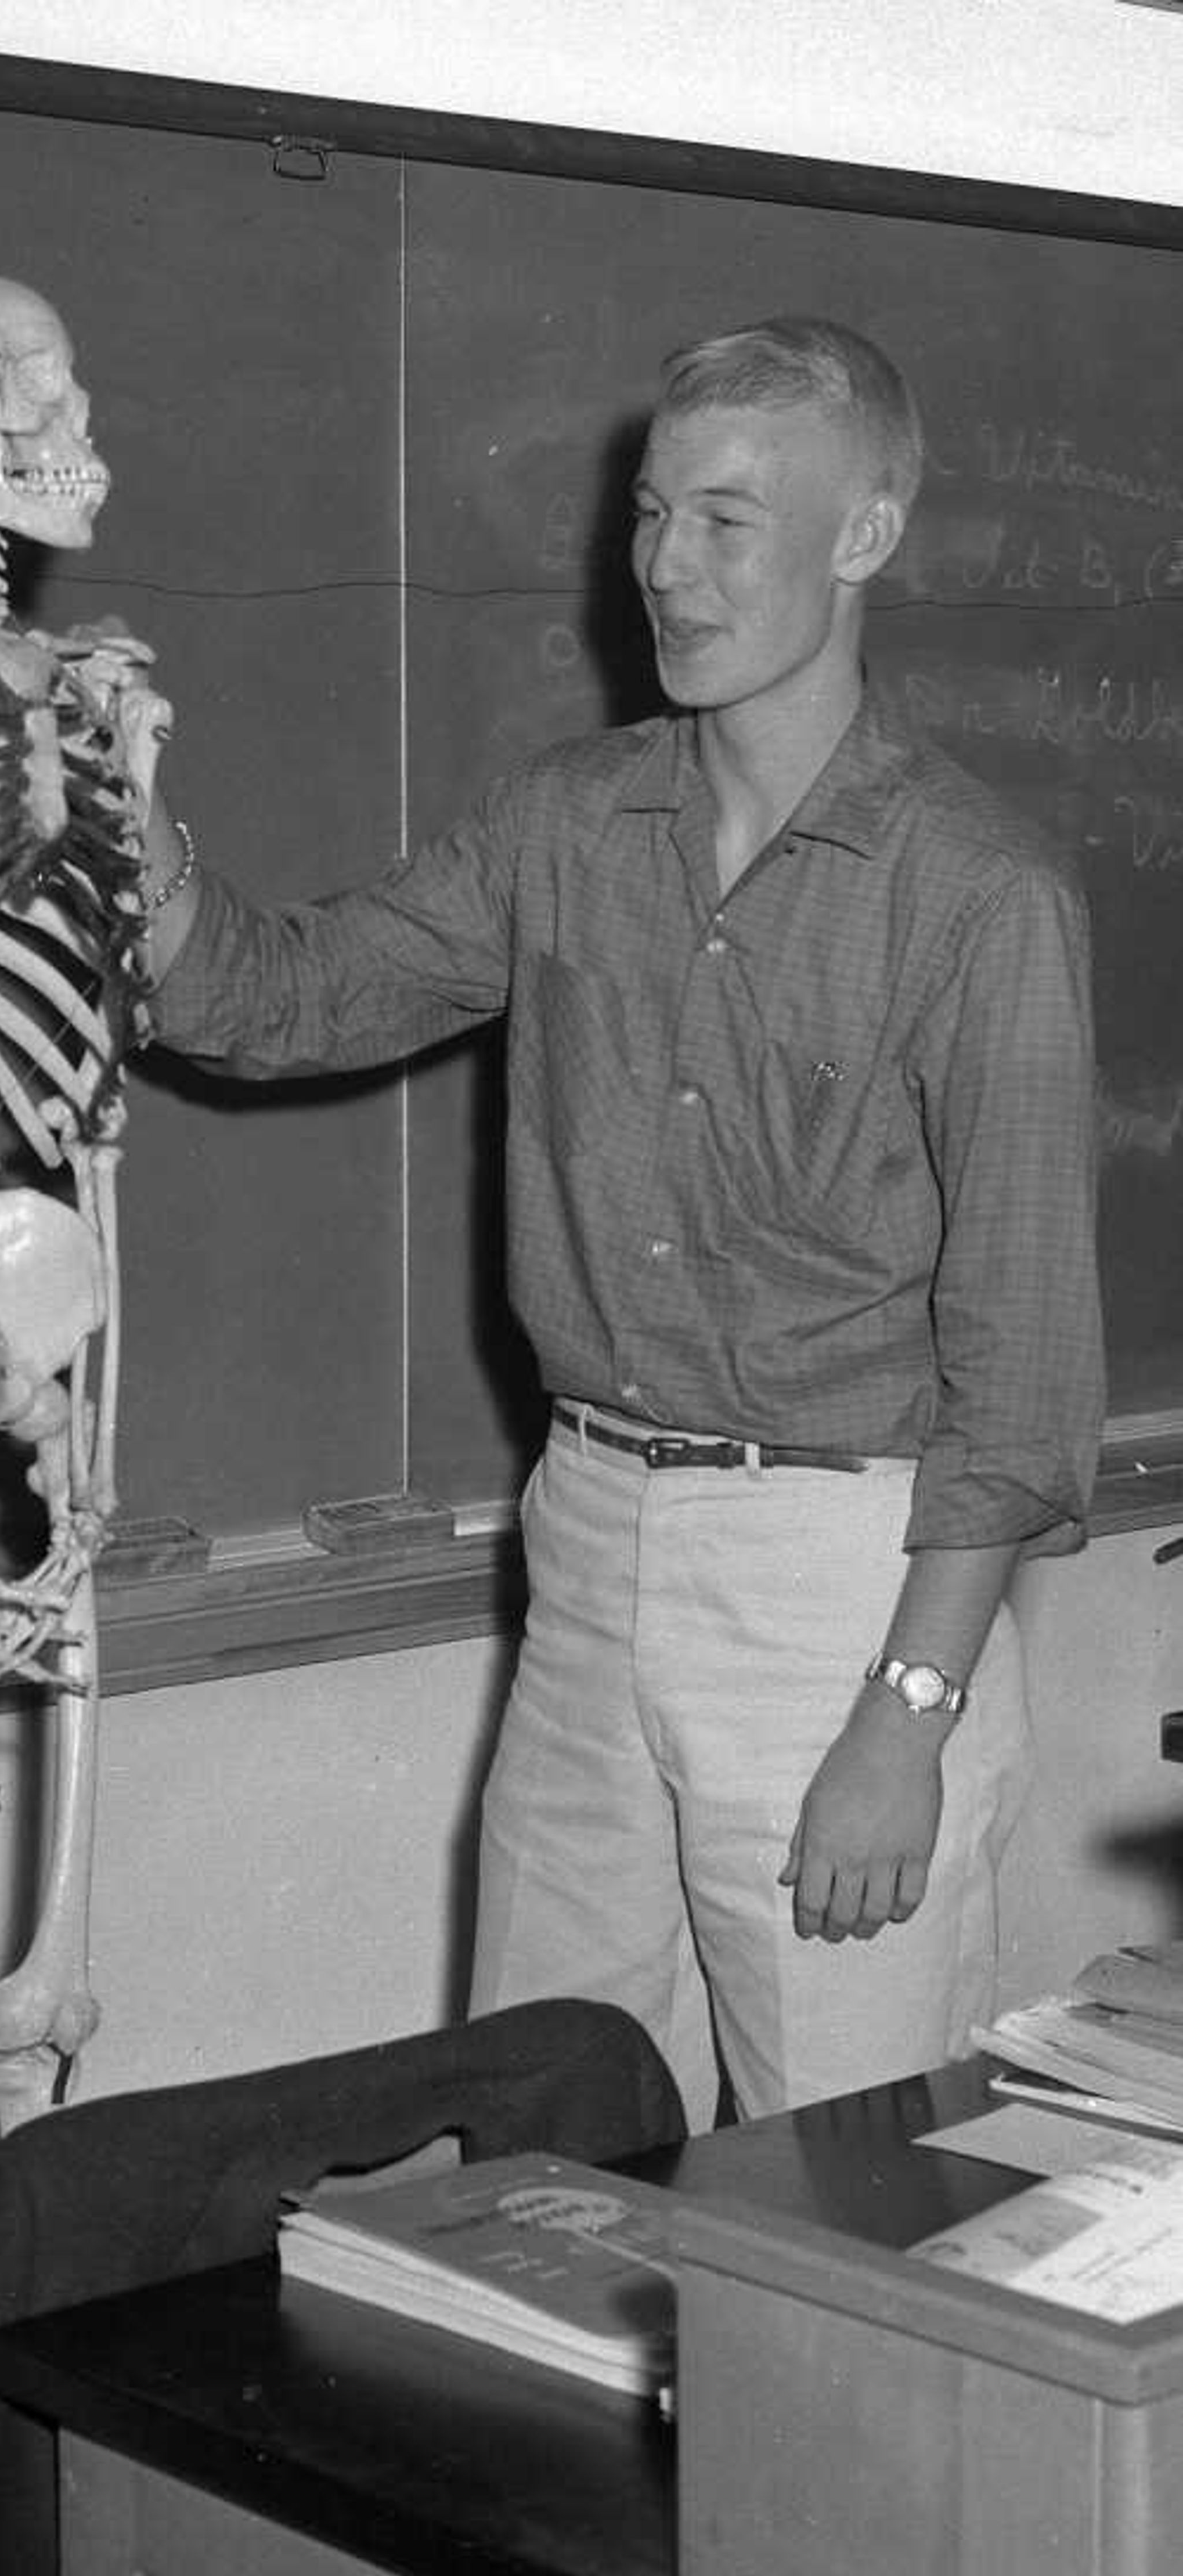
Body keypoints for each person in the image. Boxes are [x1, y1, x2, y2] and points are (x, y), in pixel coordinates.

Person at [138, 316, 1103, 2128]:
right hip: (585, 1539)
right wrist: (146, 866)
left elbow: (1029, 1367)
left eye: (731, 522)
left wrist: (909, 1717)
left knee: (847, 2179)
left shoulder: (982, 900)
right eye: (655, 513)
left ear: (865, 535)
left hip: (847, 1578)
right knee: (525, 2136)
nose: (667, 565)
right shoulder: (566, 823)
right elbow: (299, 993)